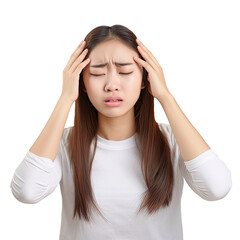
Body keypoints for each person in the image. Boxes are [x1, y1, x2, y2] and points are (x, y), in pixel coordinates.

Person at [10, 24, 232, 240]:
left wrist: (165, 96)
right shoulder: (64, 144)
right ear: (82, 83)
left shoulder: (173, 142)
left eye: (125, 71)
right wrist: (65, 98)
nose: (111, 84)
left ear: (145, 79)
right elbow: (26, 192)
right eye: (97, 73)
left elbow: (216, 188)